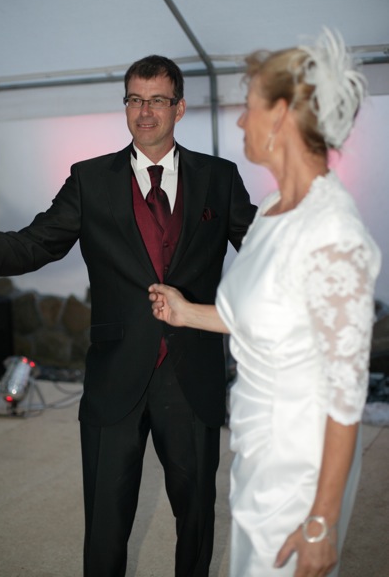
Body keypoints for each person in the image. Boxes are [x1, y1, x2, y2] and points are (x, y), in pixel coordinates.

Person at [0, 54, 257, 576]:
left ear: (179, 107)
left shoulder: (219, 177)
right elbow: (35, 244)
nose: (145, 112)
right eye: (134, 100)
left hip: (191, 375)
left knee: (196, 517)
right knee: (105, 521)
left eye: (157, 100)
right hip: (114, 373)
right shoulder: (90, 179)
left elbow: (261, 249)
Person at [149, 30, 381, 577]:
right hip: (256, 448)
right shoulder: (276, 207)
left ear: (280, 115)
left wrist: (321, 521)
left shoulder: (332, 233)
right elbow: (264, 317)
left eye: (248, 106)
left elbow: (346, 397)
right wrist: (186, 312)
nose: (238, 122)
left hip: (300, 464)